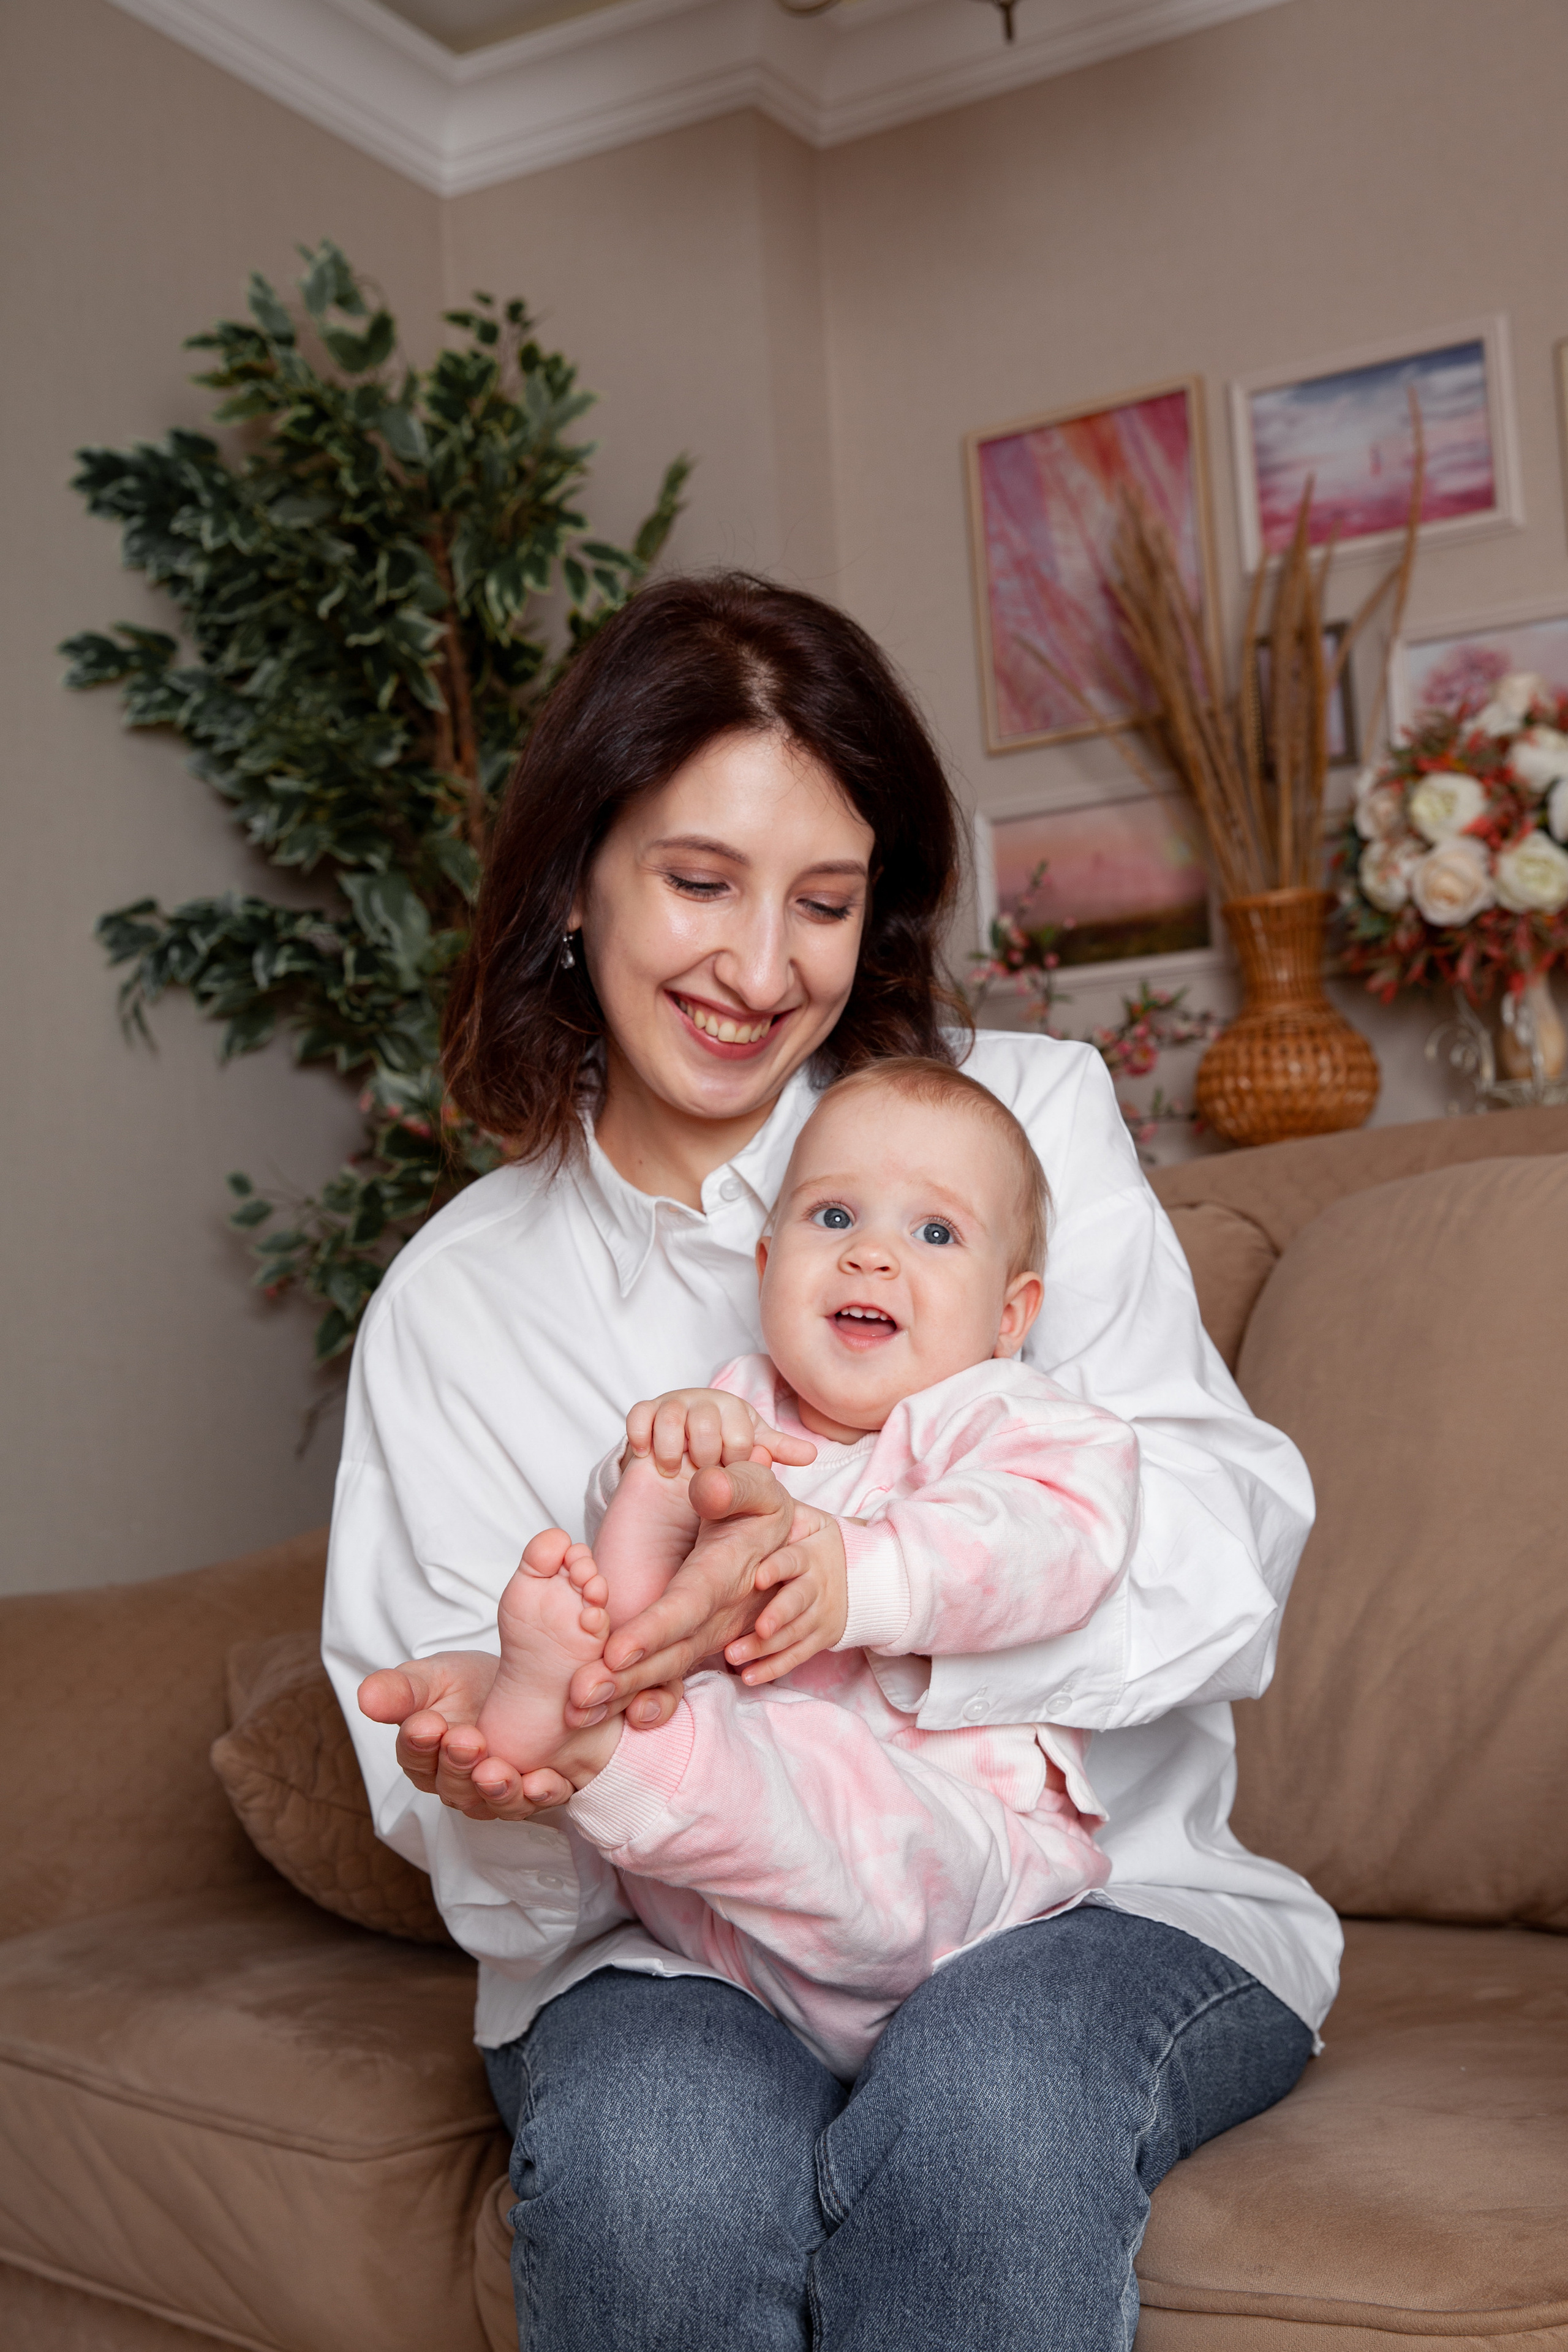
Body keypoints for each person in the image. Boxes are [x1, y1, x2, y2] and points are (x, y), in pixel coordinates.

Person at [325, 570, 1333, 2352]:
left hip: (1093, 1896)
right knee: (655, 2165)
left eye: (827, 904)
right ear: (576, 876)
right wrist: (533, 1762)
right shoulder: (461, 1303)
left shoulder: (1003, 1128)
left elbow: (1222, 1550)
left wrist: (864, 1591)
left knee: (990, 2104)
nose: (761, 968)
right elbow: (479, 1846)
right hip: (680, 1943)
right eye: (700, 882)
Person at [451, 1058, 1141, 2079]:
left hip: (945, 1876)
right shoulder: (740, 1410)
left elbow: (1049, 1540)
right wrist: (658, 1466)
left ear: (1010, 1314)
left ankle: (598, 1746)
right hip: (719, 1914)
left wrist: (859, 1577)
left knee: (826, 1782)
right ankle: (604, 1675)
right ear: (767, 1262)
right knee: (673, 1547)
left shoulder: (1011, 1419)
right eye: (832, 1220)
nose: (871, 1257)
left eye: (935, 1233)